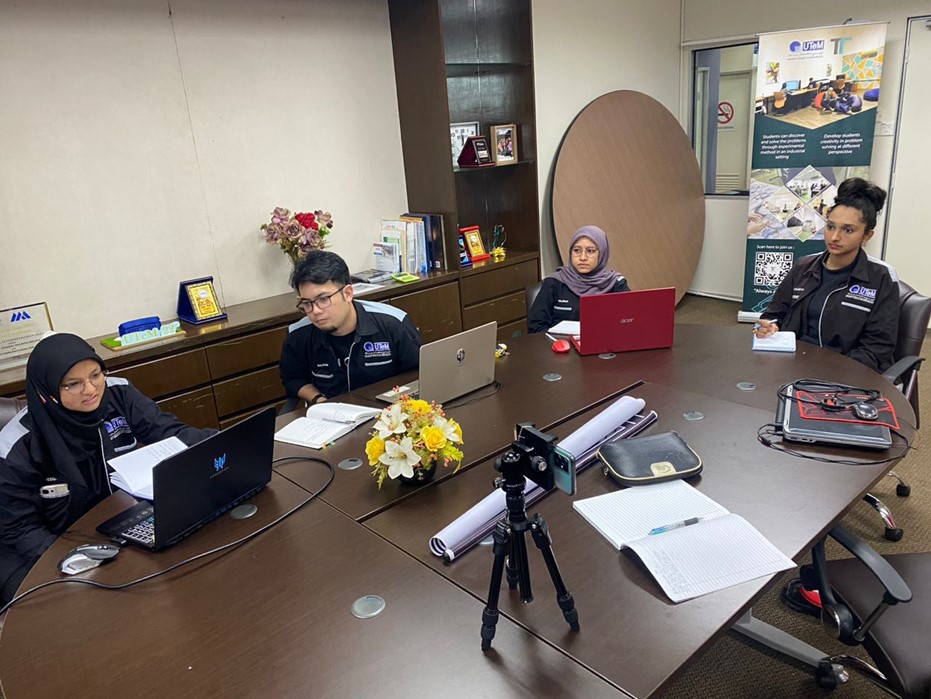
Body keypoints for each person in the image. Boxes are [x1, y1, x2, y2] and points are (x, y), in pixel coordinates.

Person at [0, 333, 216, 604]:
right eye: (73, 384)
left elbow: (172, 434)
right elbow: (19, 528)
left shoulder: (118, 393)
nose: (90, 389)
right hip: (41, 547)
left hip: (114, 522)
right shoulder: (16, 445)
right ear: (48, 393)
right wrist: (76, 557)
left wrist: (230, 443)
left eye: (96, 375)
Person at [754, 178, 899, 372]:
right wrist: (768, 327)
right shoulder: (803, 267)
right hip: (795, 363)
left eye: (848, 230)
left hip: (845, 371)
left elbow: (877, 347)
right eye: (830, 227)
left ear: (867, 236)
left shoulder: (880, 278)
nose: (835, 237)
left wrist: (831, 371)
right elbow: (774, 314)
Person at [279, 250, 422, 405]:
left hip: (389, 408)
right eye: (307, 303)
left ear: (347, 293)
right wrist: (318, 399)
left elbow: (420, 371)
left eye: (323, 299)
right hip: (332, 412)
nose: (315, 311)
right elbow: (293, 378)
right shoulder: (299, 334)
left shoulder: (393, 322)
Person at [528, 225, 629, 333]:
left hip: (604, 343)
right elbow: (536, 327)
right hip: (559, 343)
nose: (583, 257)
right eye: (577, 250)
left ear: (602, 253)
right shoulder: (554, 283)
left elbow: (629, 323)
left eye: (590, 251)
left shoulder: (616, 284)